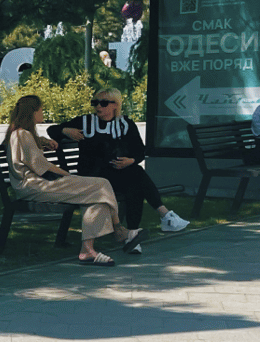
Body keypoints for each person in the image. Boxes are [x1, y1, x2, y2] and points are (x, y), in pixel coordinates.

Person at [4, 95, 143, 266]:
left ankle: (88, 251)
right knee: (102, 184)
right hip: (34, 186)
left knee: (97, 196)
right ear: (32, 112)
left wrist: (44, 141)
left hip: (39, 184)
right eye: (40, 109)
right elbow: (43, 166)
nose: (42, 112)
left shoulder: (22, 133)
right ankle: (119, 230)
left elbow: (30, 148)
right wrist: (69, 176)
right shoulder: (22, 134)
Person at [46, 88, 189, 245]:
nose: (98, 107)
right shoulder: (85, 121)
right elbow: (51, 130)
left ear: (115, 105)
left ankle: (134, 233)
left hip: (118, 173)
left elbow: (140, 151)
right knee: (136, 175)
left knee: (135, 181)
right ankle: (161, 217)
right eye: (95, 103)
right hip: (93, 176)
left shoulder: (125, 124)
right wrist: (65, 130)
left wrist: (131, 160)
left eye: (104, 103)